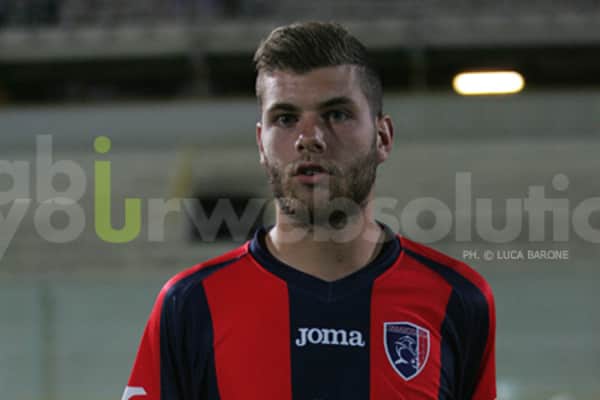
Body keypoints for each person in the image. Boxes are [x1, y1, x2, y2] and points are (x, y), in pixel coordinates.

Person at [122, 21, 496, 400]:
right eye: (286, 119)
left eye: (336, 114)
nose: (309, 139)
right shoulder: (190, 305)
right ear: (261, 144)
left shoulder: (458, 300)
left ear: (382, 138)